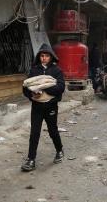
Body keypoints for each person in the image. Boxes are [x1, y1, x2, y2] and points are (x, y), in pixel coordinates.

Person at [22, 43, 65, 172]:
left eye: (46, 56)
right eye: (42, 55)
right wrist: (32, 93)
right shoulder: (34, 70)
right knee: (34, 133)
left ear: (51, 57)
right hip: (37, 107)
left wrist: (44, 87)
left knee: (53, 130)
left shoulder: (56, 71)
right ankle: (31, 159)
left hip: (51, 106)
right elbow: (25, 87)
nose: (44, 58)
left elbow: (61, 88)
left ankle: (59, 150)